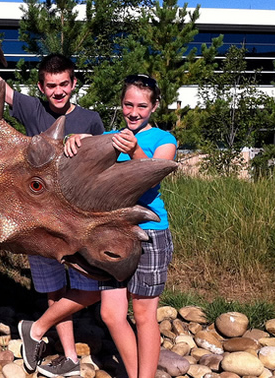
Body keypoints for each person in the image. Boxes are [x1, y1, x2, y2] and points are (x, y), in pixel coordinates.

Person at [0, 14, 105, 377]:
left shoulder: (91, 119)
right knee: (54, 288)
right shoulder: (31, 109)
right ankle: (68, 356)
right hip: (39, 217)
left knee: (90, 287)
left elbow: (104, 168)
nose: (58, 91)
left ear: (74, 84)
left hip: (78, 218)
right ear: (41, 87)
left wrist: (86, 144)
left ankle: (34, 329)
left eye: (64, 84)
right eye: (51, 85)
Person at [39, 73, 175, 378]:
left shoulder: (164, 140)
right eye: (128, 104)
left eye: (142, 105)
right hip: (111, 236)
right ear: (121, 104)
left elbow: (153, 177)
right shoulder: (113, 135)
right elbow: (85, 147)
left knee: (143, 314)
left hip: (150, 234)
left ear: (154, 107)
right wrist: (75, 140)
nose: (134, 112)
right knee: (111, 314)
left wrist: (135, 150)